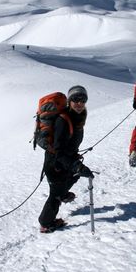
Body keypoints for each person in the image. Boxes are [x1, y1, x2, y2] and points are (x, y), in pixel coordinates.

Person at [39, 86, 93, 233]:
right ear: (69, 101)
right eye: (75, 99)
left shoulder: (78, 117)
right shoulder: (63, 120)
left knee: (74, 176)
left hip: (66, 159)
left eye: (83, 100)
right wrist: (76, 165)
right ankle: (45, 223)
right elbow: (58, 151)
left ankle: (63, 193)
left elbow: (69, 144)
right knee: (55, 194)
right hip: (55, 163)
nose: (79, 103)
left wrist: (75, 160)